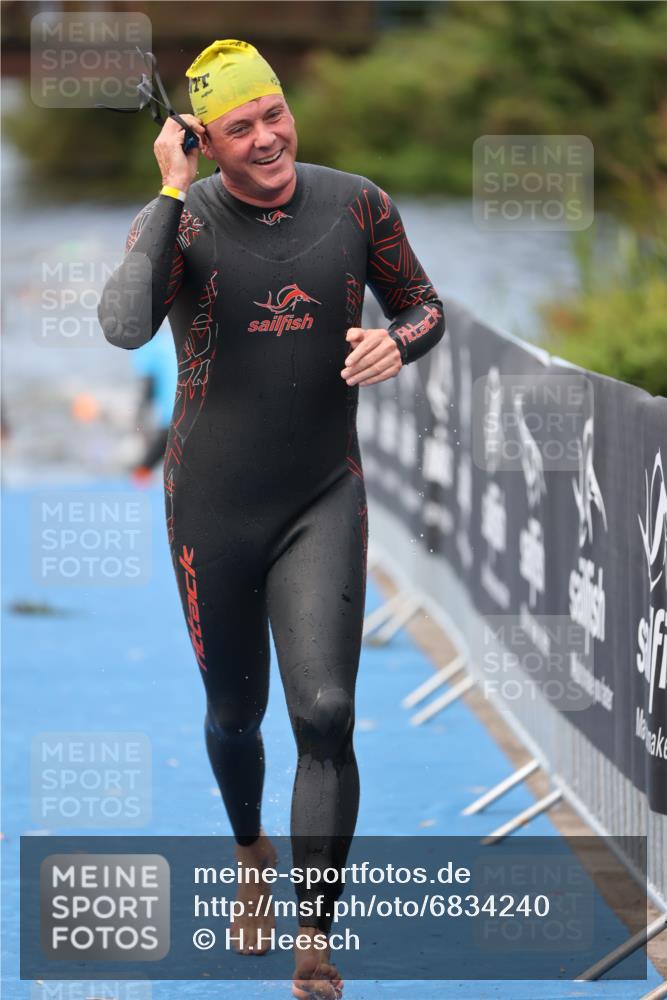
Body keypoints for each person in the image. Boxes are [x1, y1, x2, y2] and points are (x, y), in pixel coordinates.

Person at [99, 38, 444, 1000]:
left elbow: (424, 305)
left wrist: (395, 343)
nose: (267, 138)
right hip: (211, 504)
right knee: (233, 717)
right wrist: (169, 194)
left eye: (275, 113)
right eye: (239, 126)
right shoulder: (182, 222)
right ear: (201, 139)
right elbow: (125, 327)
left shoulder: (356, 203)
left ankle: (313, 937)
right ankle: (251, 850)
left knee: (325, 714)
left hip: (321, 490)